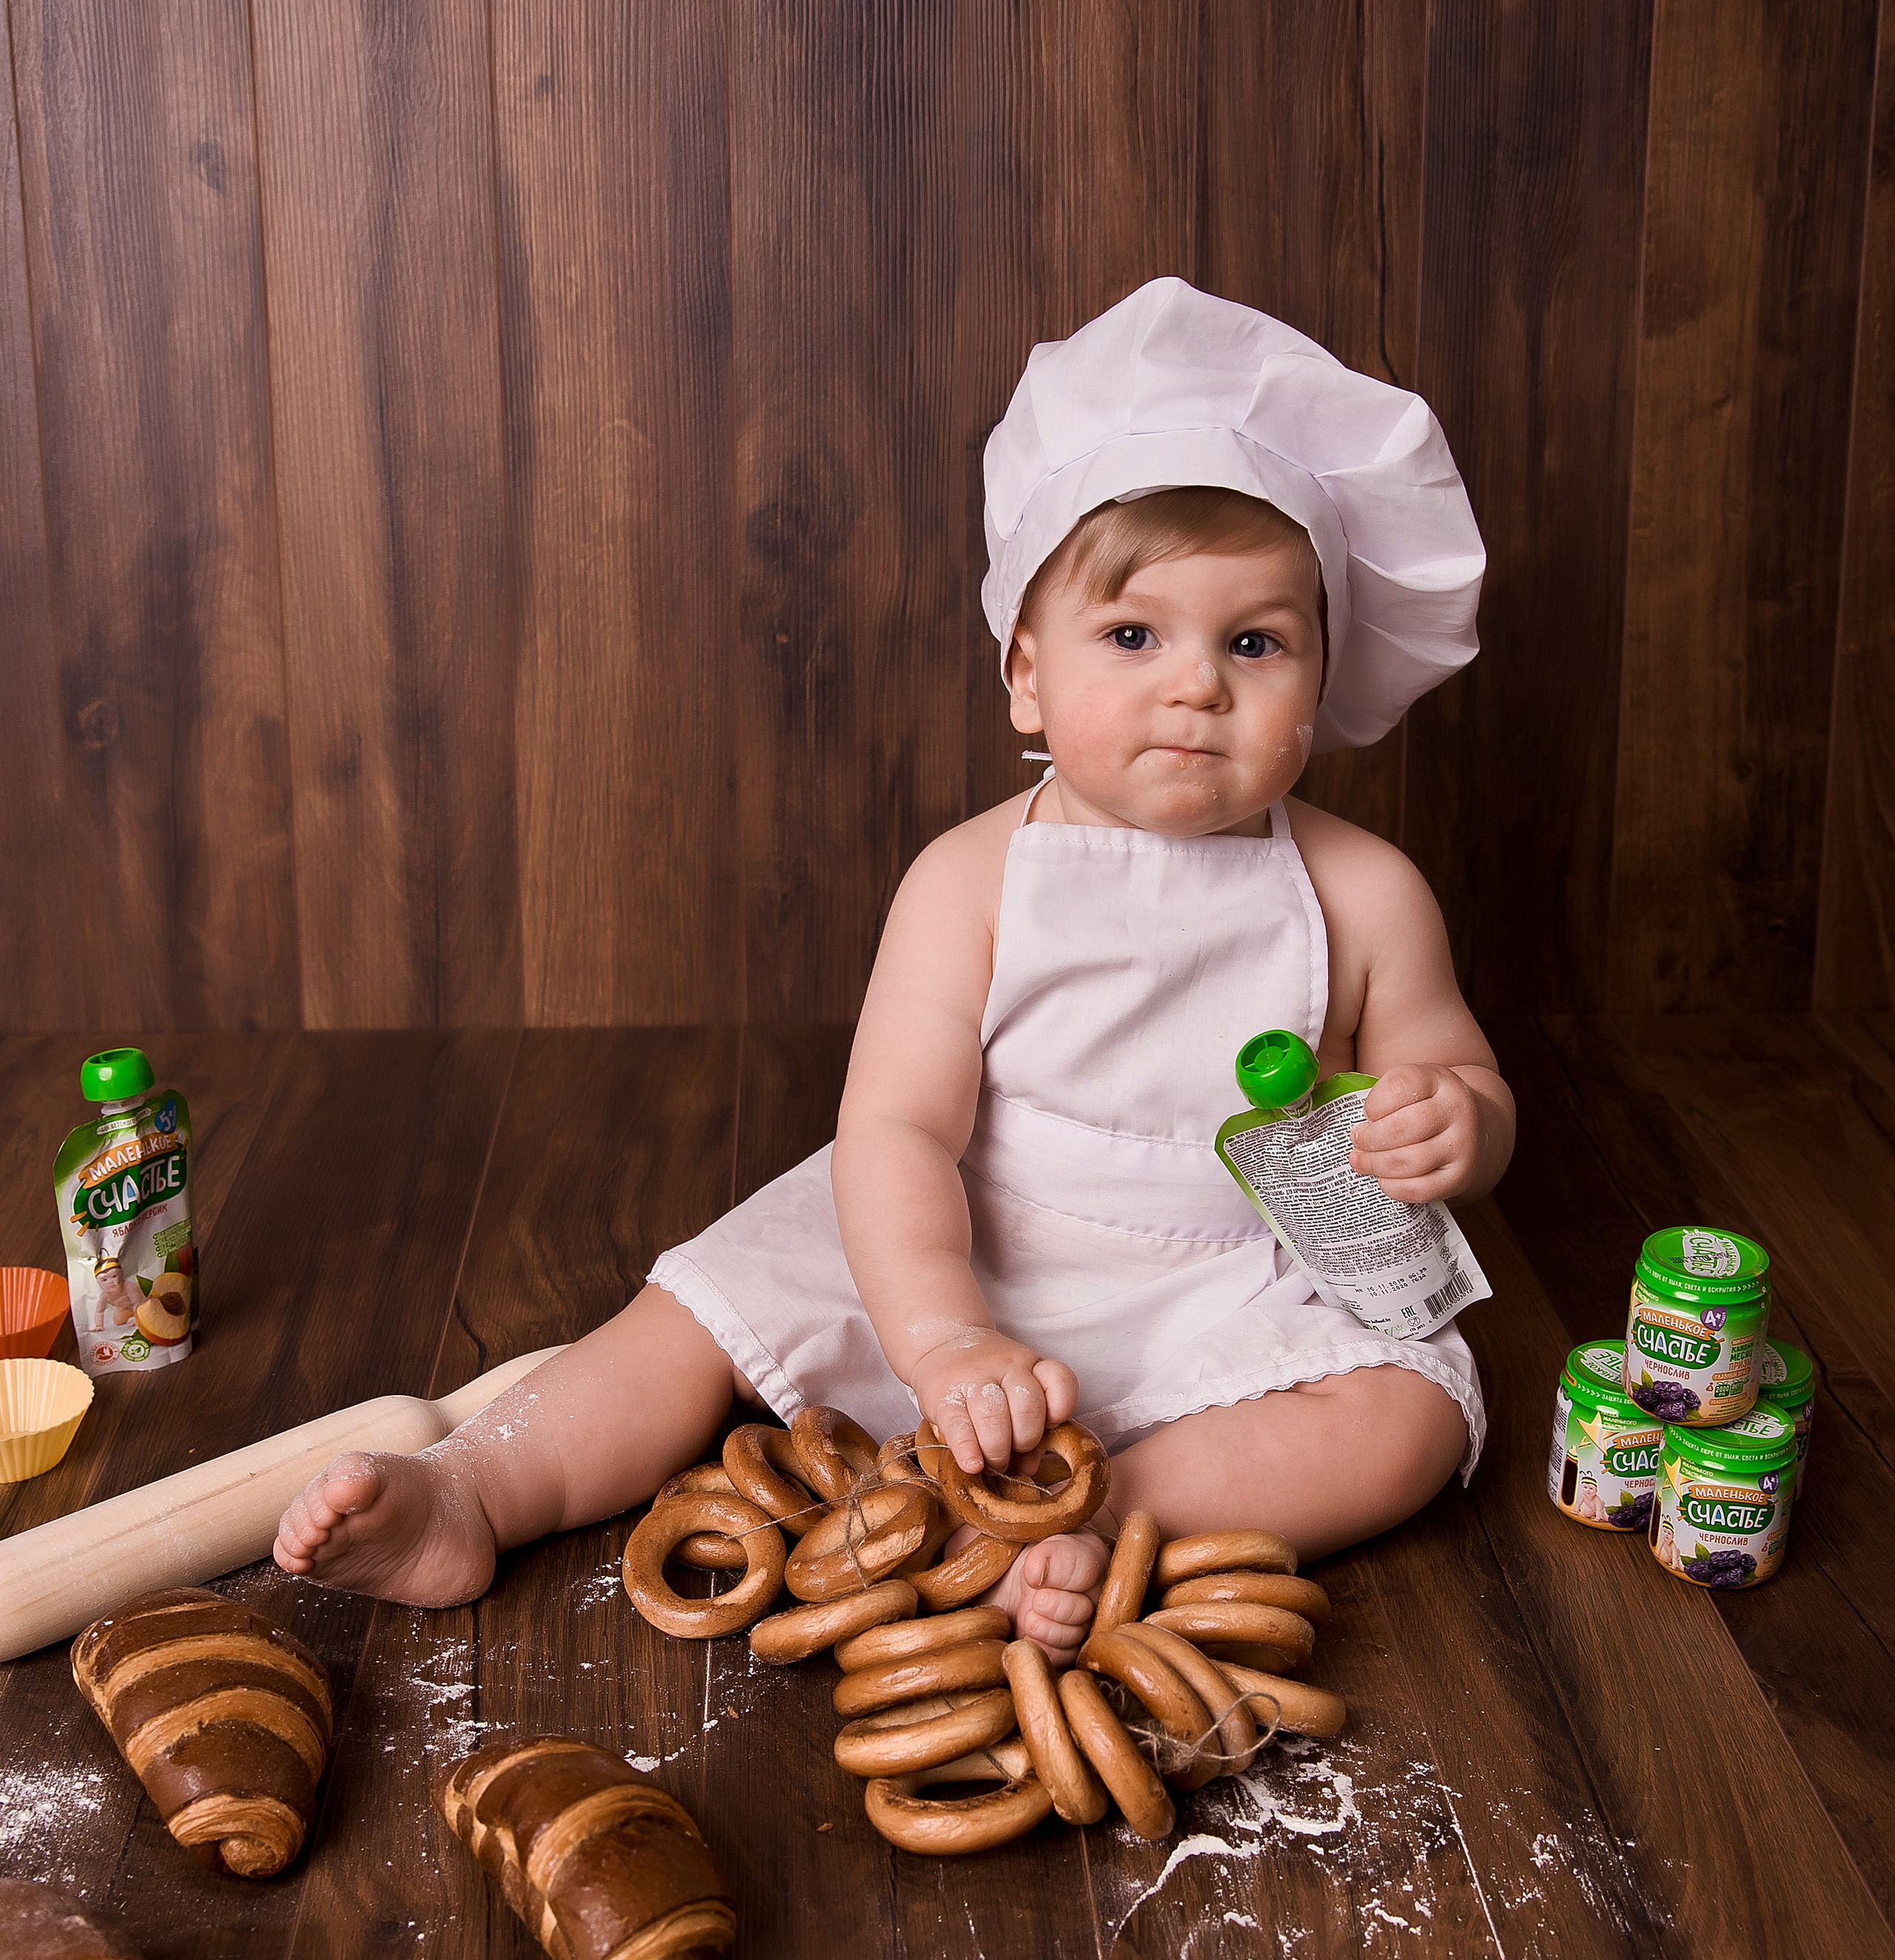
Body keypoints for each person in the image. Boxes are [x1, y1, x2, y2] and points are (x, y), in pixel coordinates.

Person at [275, 278, 1513, 1666]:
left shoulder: (1362, 887)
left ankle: (1099, 1524)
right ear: (1026, 679)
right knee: (694, 1319)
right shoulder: (972, 879)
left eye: (1256, 643)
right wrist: (946, 1343)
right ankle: (478, 1490)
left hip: (1236, 1265)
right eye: (1132, 636)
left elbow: (1451, 1060)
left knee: (1403, 1420)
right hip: (967, 1229)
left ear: (1326, 679)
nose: (1198, 686)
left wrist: (1455, 1119)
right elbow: (900, 1131)